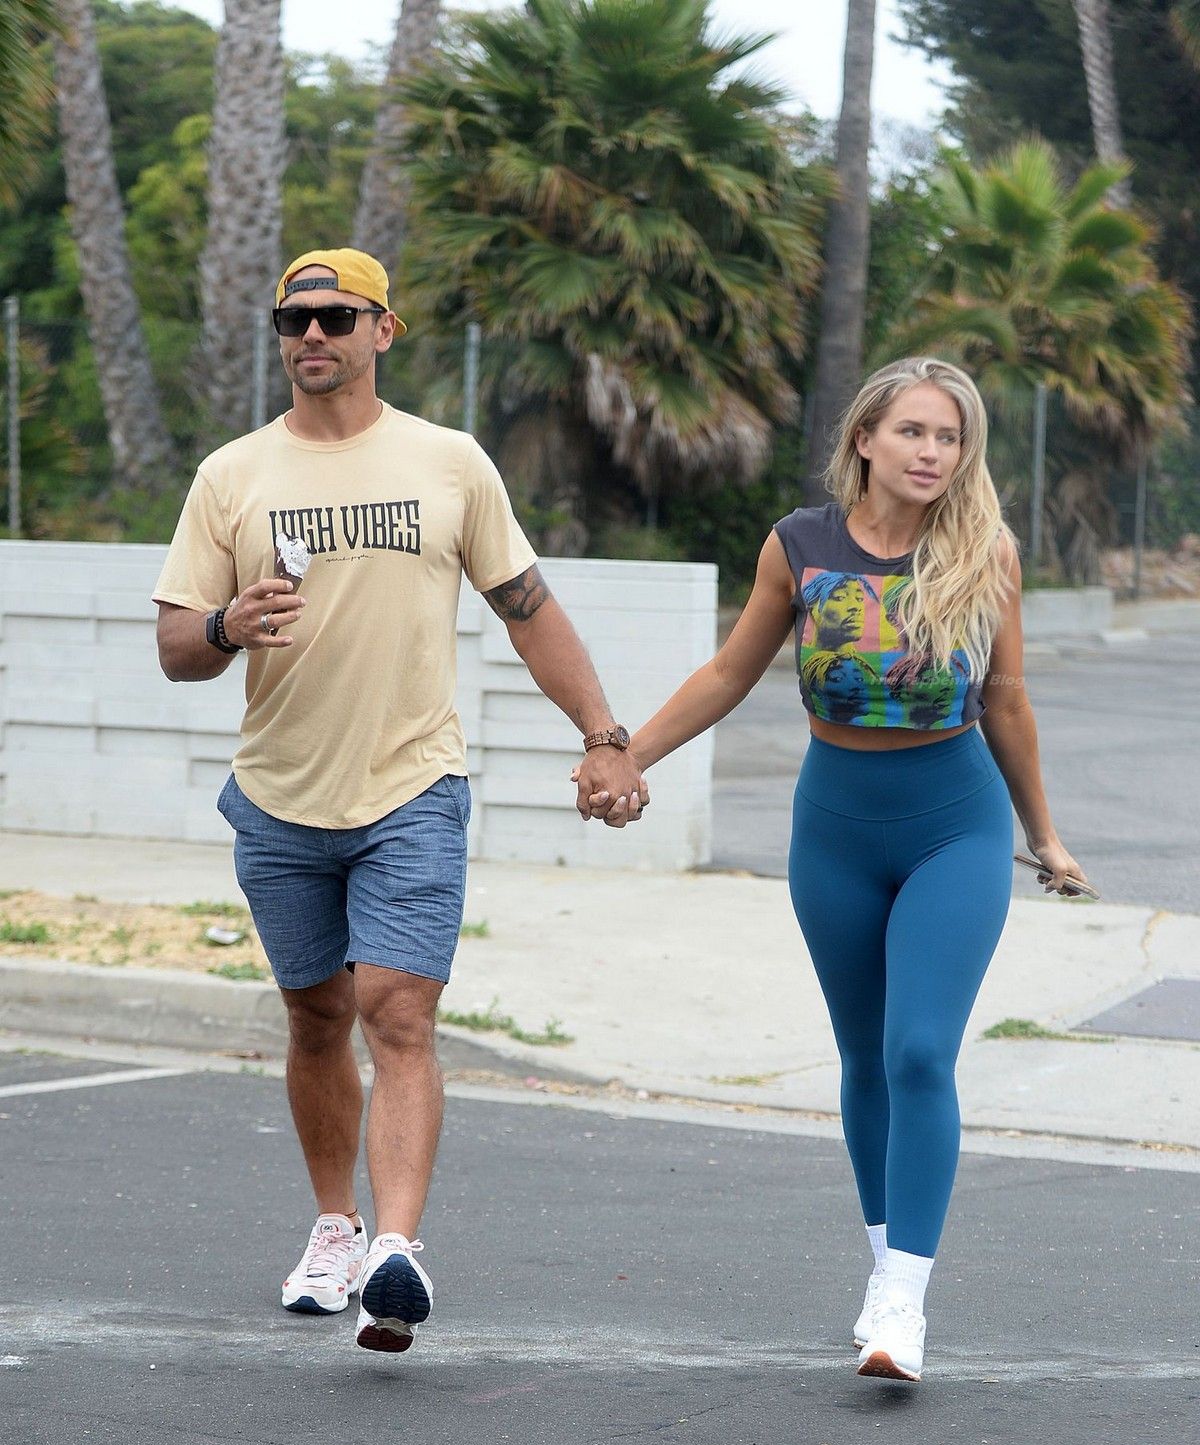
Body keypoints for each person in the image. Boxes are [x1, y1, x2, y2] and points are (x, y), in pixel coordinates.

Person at [153, 248, 646, 1355]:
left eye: (336, 316)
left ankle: (396, 1250)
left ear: (384, 330)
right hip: (279, 794)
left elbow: (528, 609)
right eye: (293, 319)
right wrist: (228, 624)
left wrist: (603, 737)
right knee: (317, 1016)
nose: (311, 335)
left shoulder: (448, 462)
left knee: (399, 1010)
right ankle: (336, 1227)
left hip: (413, 785)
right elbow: (178, 646)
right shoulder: (231, 474)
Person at [579, 356, 1090, 1382]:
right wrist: (629, 753)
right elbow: (730, 671)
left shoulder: (984, 551)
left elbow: (1006, 701)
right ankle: (883, 1265)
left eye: (949, 437)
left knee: (918, 1052)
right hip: (835, 830)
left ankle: (905, 1300)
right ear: (865, 437)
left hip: (956, 826)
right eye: (912, 431)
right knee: (863, 1056)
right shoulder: (799, 545)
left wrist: (1045, 834)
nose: (931, 452)